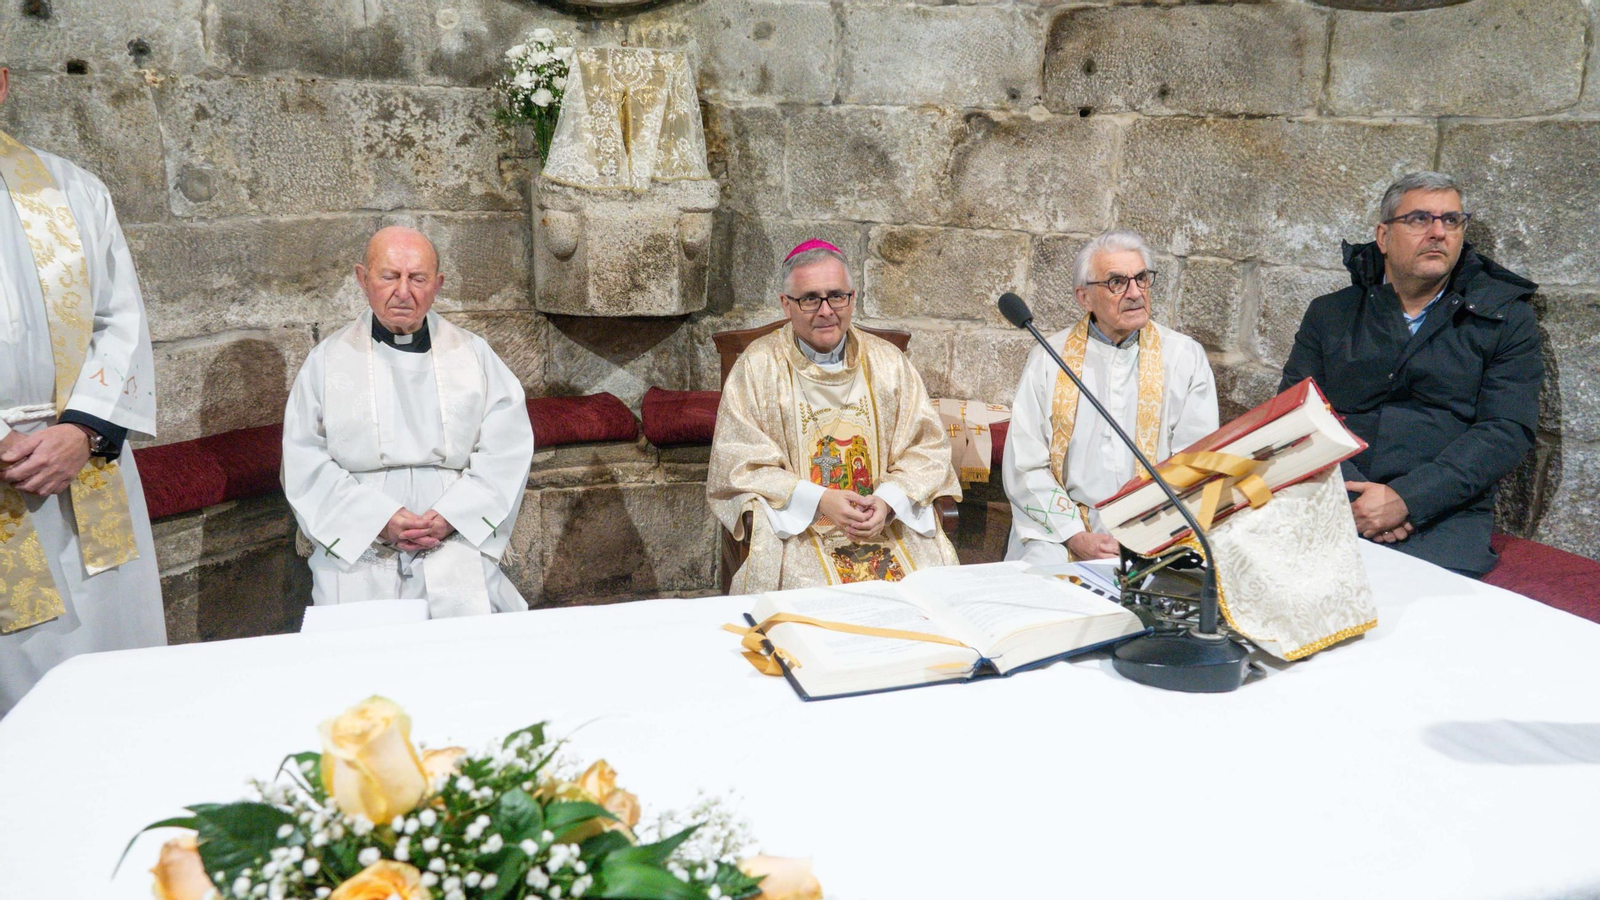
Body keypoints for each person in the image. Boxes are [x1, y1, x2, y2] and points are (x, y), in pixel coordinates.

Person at [0, 66, 164, 714]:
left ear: (4, 81)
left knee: (117, 682)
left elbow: (120, 318)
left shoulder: (72, 190)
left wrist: (84, 429)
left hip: (85, 469)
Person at [1280, 172, 1542, 577]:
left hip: (1441, 511)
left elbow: (1506, 430)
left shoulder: (1505, 317)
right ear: (1383, 236)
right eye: (1419, 219)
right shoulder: (1330, 313)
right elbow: (1296, 411)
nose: (1438, 232)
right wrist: (1351, 498)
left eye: (1451, 220)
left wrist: (1406, 499)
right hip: (1330, 491)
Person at [281, 226, 535, 615]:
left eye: (417, 278)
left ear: (438, 284)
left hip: (454, 534)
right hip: (361, 540)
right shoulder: (326, 362)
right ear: (362, 279)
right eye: (389, 276)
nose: (403, 291)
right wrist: (376, 519)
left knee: (469, 646)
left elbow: (508, 446)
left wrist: (454, 514)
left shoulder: (474, 355)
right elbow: (303, 459)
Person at [707, 239, 961, 592]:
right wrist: (820, 500)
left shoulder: (889, 363)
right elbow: (738, 464)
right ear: (786, 304)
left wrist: (888, 501)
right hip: (799, 531)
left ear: (852, 299)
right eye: (810, 298)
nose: (826, 310)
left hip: (886, 523)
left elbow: (928, 448)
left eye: (836, 296)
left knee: (930, 599)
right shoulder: (757, 366)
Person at [1003, 230, 1218, 564]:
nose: (1135, 293)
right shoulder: (1049, 358)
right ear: (1084, 297)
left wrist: (1147, 534)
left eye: (1142, 279)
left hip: (1156, 532)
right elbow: (1025, 465)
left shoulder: (1184, 358)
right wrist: (1075, 535)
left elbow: (1195, 462)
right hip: (1062, 537)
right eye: (1117, 282)